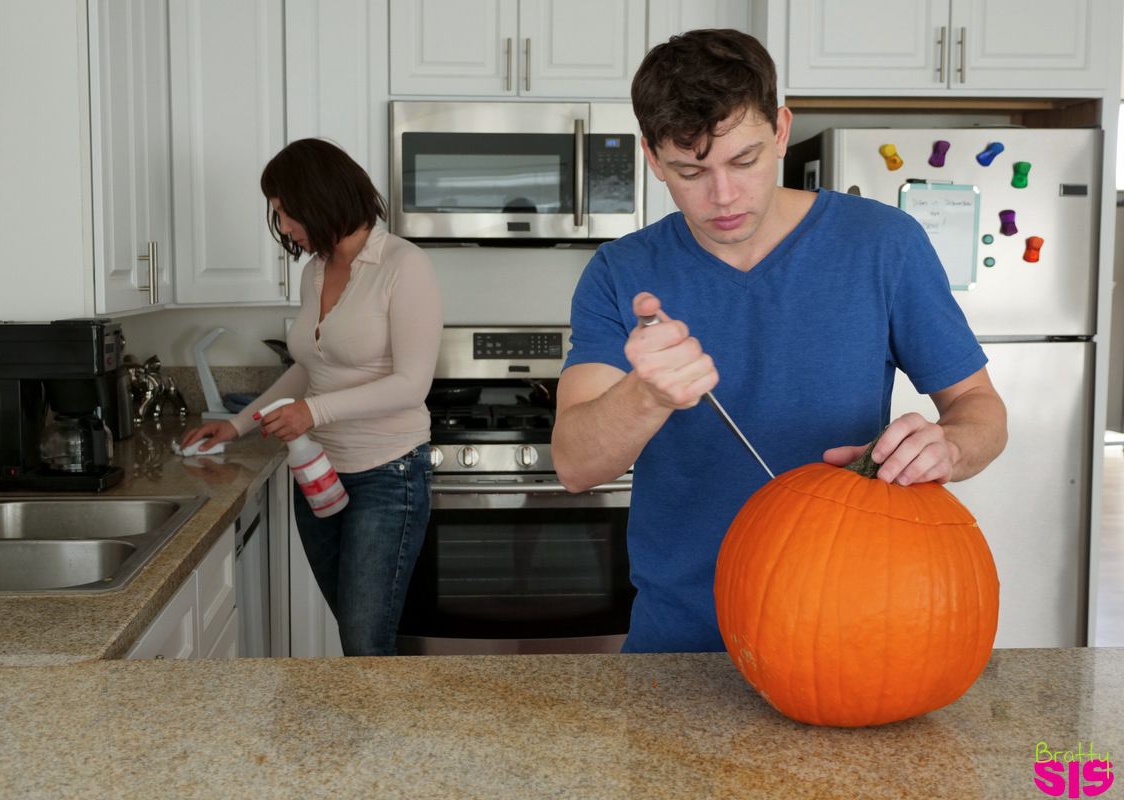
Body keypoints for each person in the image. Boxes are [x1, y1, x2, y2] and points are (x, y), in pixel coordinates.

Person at [551, 29, 1007, 654]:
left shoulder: (883, 244)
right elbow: (576, 466)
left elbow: (981, 410)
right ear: (653, 160)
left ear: (783, 130)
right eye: (690, 171)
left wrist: (949, 448)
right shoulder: (619, 272)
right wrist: (646, 396)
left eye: (745, 160)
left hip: (848, 634)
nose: (724, 196)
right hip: (680, 647)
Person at [180, 138, 442, 656]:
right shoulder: (315, 271)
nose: (282, 226)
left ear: (317, 198)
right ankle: (364, 736)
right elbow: (309, 366)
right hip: (318, 473)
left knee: (366, 644)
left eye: (284, 211)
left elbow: (413, 384)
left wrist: (312, 412)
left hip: (386, 477)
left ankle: (383, 736)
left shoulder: (403, 266)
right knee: (353, 634)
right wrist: (239, 425)